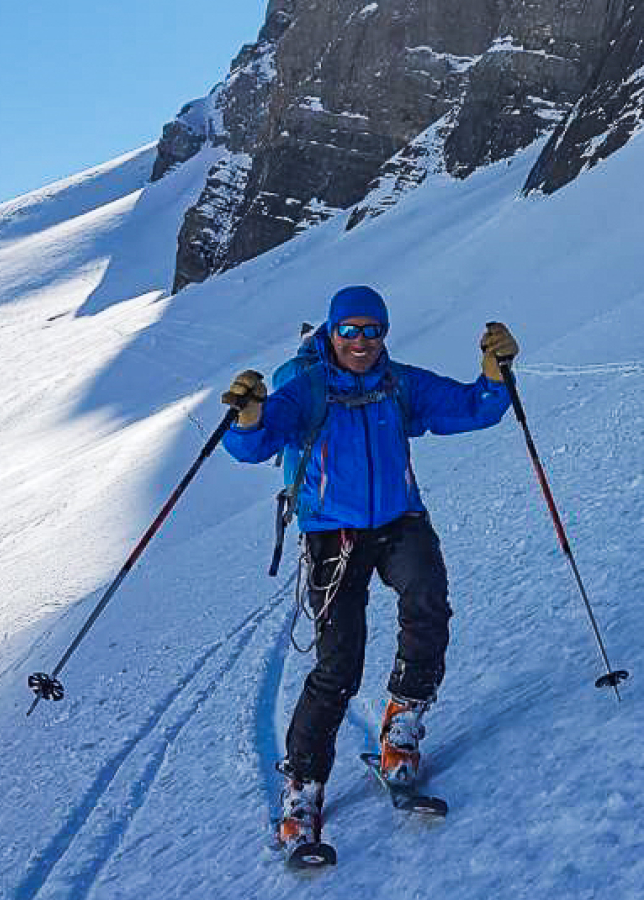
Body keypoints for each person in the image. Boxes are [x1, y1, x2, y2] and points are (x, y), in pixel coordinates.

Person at [220, 285, 517, 850]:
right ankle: (303, 787)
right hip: (334, 534)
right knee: (338, 666)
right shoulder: (307, 388)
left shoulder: (397, 382)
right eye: (350, 330)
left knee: (428, 601)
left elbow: (468, 407)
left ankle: (401, 724)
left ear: (384, 332)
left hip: (401, 518)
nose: (361, 341)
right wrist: (249, 418)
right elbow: (256, 445)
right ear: (332, 332)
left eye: (372, 330)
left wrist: (496, 377)